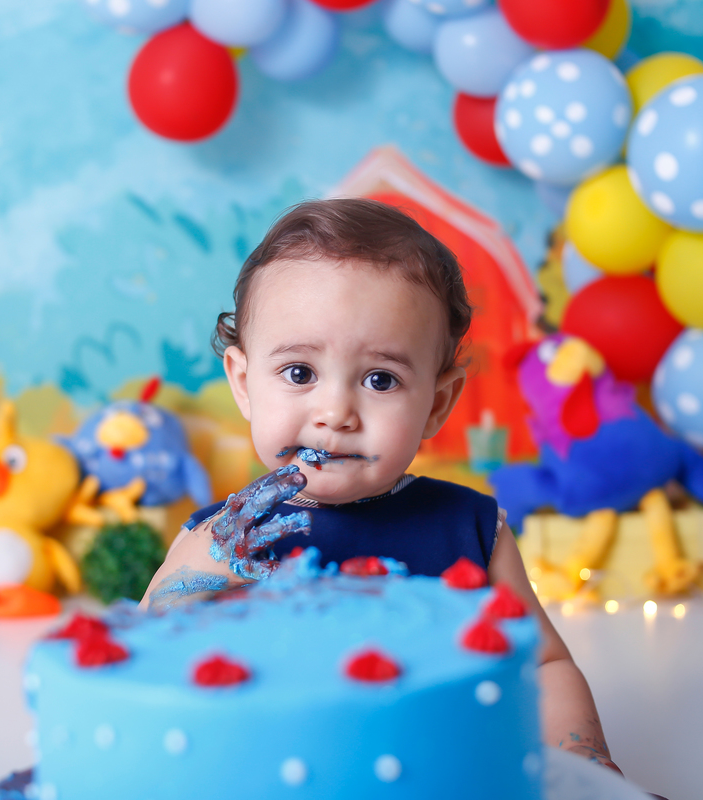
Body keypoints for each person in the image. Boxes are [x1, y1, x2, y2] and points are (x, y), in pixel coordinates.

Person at [141, 197, 620, 774]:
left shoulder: (471, 530)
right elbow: (146, 656)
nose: (335, 413)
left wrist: (583, 762)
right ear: (244, 384)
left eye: (380, 379)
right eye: (300, 373)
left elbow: (544, 667)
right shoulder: (222, 538)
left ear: (437, 403)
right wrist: (200, 573)